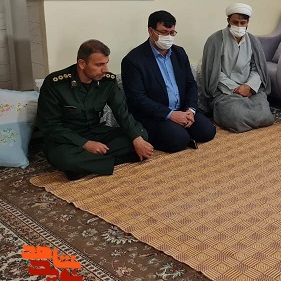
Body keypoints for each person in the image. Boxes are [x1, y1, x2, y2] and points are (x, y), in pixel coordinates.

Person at [36, 40, 154, 180]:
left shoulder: (107, 81)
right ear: (82, 63)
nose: (105, 69)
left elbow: (122, 112)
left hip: (96, 132)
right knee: (65, 158)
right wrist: (85, 144)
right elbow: (50, 126)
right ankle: (113, 161)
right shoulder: (55, 84)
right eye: (99, 65)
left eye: (106, 63)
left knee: (141, 134)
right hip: (67, 139)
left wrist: (136, 139)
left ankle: (84, 167)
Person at [121, 10, 216, 152]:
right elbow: (137, 99)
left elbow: (191, 84)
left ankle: (181, 128)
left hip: (182, 109)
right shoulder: (133, 60)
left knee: (208, 131)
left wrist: (190, 110)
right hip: (155, 115)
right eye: (164, 32)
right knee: (179, 140)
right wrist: (170, 115)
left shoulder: (179, 53)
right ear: (151, 31)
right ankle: (177, 132)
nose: (169, 37)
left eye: (172, 33)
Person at [201, 3, 275, 133]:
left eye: (242, 23)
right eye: (235, 22)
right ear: (228, 20)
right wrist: (236, 88)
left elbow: (257, 68)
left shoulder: (253, 41)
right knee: (237, 116)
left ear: (248, 23)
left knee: (266, 116)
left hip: (250, 90)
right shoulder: (215, 40)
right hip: (225, 90)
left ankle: (248, 114)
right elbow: (214, 72)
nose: (239, 26)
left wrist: (249, 86)